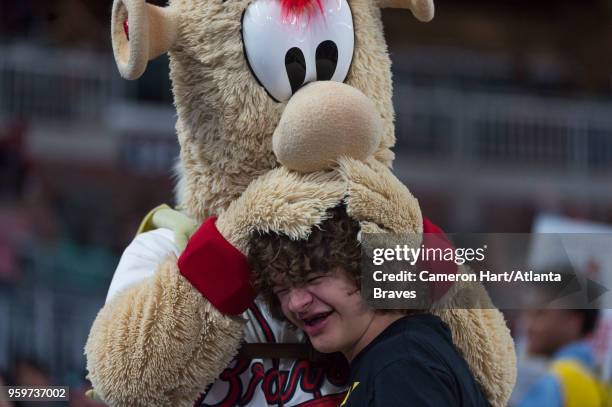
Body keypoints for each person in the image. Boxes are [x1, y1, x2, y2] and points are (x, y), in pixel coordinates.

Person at [248, 206, 490, 406]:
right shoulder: (398, 354)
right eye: (282, 290)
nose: (296, 303)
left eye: (314, 279)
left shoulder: (399, 365)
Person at [517, 306, 603, 407]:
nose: (529, 326)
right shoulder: (597, 379)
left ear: (573, 321)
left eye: (540, 314)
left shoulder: (552, 381)